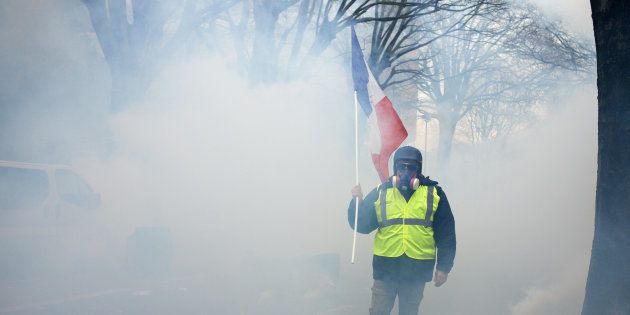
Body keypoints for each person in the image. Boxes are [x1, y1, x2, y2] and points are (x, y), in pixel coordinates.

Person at [348, 146, 456, 315]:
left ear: (418, 170)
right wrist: (357, 202)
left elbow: (446, 234)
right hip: (386, 270)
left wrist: (444, 267)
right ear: (395, 168)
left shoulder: (434, 194)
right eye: (402, 167)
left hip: (416, 271)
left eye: (411, 167)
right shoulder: (381, 192)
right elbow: (361, 225)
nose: (406, 172)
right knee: (378, 311)